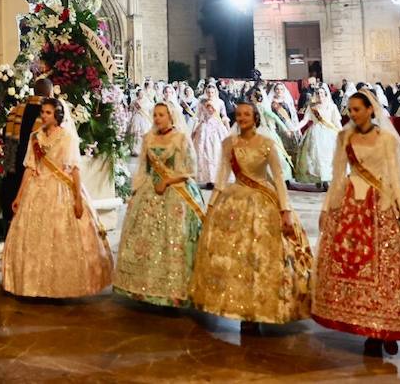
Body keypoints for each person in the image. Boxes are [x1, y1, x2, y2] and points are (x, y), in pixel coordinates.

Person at [312, 89, 400, 356]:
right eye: (350, 110)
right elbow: (337, 176)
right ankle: (368, 328)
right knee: (353, 266)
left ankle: (387, 327)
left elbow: (396, 178)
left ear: (371, 110)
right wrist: (327, 209)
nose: (353, 114)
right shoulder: (344, 136)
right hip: (351, 203)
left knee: (388, 268)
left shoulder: (386, 139)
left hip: (381, 203)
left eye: (357, 109)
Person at [188, 101, 312, 331]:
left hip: (264, 202)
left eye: (247, 114)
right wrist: (212, 206)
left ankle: (264, 305)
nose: (242, 118)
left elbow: (277, 179)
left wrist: (285, 210)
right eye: (239, 115)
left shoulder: (266, 144)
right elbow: (222, 177)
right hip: (234, 202)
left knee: (263, 256)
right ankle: (242, 307)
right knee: (237, 256)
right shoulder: (228, 143)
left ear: (255, 117)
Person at [2, 98, 114, 297]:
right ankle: (32, 284)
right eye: (42, 112)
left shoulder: (67, 138)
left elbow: (75, 170)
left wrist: (78, 199)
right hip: (37, 190)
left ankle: (61, 285)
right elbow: (30, 167)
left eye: (48, 113)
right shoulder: (35, 137)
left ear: (58, 116)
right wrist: (19, 195)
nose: (43, 116)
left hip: (62, 189)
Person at [113, 103, 204, 308]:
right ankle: (146, 288)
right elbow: (143, 169)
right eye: (155, 114)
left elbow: (191, 169)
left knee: (174, 239)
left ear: (171, 116)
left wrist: (168, 181)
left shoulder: (180, 138)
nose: (157, 118)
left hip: (176, 192)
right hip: (149, 191)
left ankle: (174, 291)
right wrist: (135, 192)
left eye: (161, 115)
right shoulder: (148, 138)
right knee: (145, 240)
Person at [0, 77, 52, 228]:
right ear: (49, 93)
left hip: (14, 163)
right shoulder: (48, 114)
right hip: (34, 166)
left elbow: (5, 136)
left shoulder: (16, 110)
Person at [295, 87, 341, 188]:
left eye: (322, 93)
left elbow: (336, 122)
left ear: (325, 94)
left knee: (328, 157)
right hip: (315, 132)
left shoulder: (332, 106)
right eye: (318, 93)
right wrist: (295, 128)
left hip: (329, 133)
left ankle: (326, 178)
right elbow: (305, 120)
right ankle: (319, 177)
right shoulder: (312, 107)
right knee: (315, 157)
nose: (320, 95)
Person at [192, 86, 230, 188]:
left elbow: (224, 116)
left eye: (212, 92)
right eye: (208, 92)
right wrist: (194, 130)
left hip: (217, 127)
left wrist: (228, 130)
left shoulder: (220, 102)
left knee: (217, 151)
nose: (210, 94)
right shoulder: (201, 102)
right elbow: (199, 117)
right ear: (206, 92)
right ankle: (209, 179)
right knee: (205, 151)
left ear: (215, 92)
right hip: (205, 127)